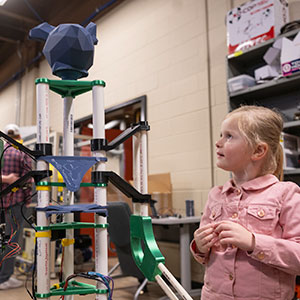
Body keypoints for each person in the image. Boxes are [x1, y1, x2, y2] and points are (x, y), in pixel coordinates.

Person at [190, 105, 300, 300]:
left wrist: (253, 242)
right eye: (221, 135)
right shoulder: (215, 195)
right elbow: (205, 257)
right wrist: (199, 246)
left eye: (229, 136)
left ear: (258, 150)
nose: (218, 142)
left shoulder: (286, 194)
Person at [0, 124, 32, 290]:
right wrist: (29, 201)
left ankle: (4, 275)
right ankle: (4, 278)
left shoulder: (1, 152)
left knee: (3, 240)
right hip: (16, 203)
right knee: (12, 240)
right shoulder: (21, 152)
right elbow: (29, 180)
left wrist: (4, 178)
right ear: (19, 136)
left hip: (2, 201)